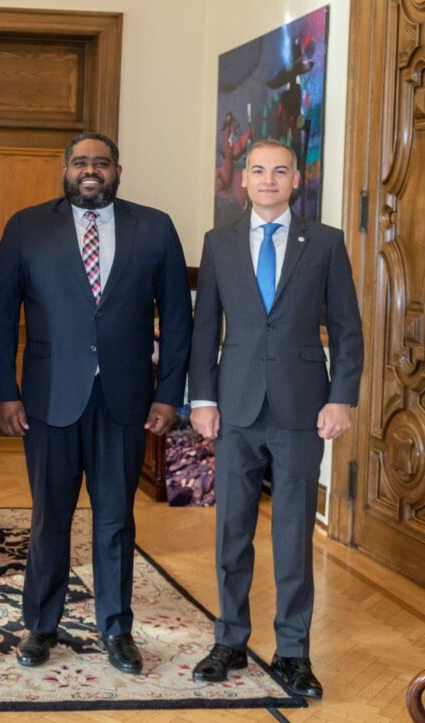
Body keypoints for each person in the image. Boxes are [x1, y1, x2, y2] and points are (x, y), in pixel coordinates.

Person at [0, 131, 192, 675]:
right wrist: (3, 391)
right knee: (49, 518)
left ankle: (116, 628)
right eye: (81, 162)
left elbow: (177, 320)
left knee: (115, 520)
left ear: (118, 171)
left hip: (125, 401)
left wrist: (170, 394)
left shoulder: (155, 227)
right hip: (48, 400)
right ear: (66, 167)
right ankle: (41, 625)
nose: (91, 171)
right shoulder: (27, 226)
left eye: (101, 163)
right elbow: (1, 317)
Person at [188, 139, 363, 699]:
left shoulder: (327, 243)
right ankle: (230, 640)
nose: (268, 179)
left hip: (302, 408)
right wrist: (202, 399)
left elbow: (347, 329)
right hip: (235, 405)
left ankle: (293, 652)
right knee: (231, 532)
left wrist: (343, 398)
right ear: (244, 180)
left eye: (279, 171)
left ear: (295, 182)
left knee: (292, 535)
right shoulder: (219, 243)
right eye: (258, 170)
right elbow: (204, 329)